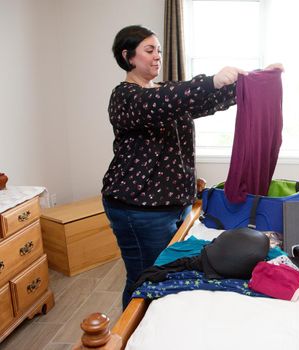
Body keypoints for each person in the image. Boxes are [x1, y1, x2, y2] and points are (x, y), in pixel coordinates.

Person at [101, 24, 283, 309]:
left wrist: (257, 80)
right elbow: (166, 101)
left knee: (167, 275)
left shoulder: (165, 91)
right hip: (138, 208)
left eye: (159, 50)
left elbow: (206, 99)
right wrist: (211, 80)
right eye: (149, 50)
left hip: (176, 204)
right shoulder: (126, 97)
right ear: (129, 56)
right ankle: (130, 337)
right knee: (144, 278)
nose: (157, 56)